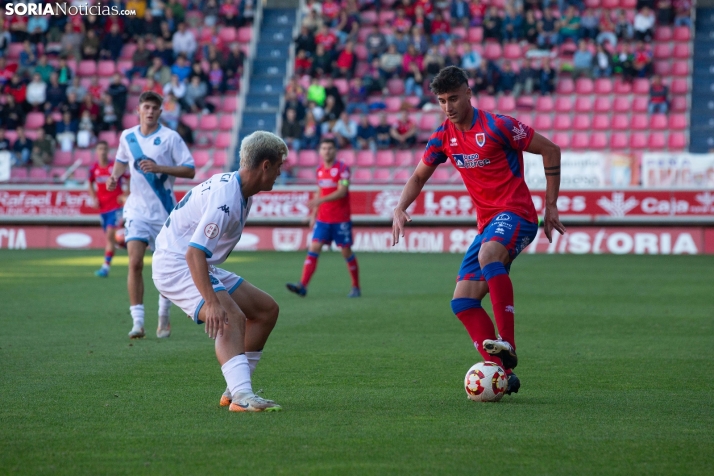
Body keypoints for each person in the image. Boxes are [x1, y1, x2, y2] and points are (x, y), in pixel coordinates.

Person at [391, 67, 566, 396]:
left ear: (469, 93)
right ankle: (502, 371)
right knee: (463, 302)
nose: (448, 107)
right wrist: (401, 206)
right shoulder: (443, 137)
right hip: (488, 224)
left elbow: (551, 150)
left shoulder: (500, 126)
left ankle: (507, 343)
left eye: (453, 98)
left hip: (517, 213)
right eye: (442, 101)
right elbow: (417, 177)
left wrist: (551, 205)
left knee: (488, 256)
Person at [152, 131, 286, 412]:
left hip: (194, 261)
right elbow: (194, 252)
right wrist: (212, 302)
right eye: (278, 166)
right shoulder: (226, 198)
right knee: (229, 317)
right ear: (265, 165)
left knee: (265, 310)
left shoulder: (239, 190)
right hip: (177, 264)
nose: (279, 172)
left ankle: (235, 388)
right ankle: (242, 397)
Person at [107, 91, 196, 339]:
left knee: (165, 268)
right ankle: (138, 322)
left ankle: (164, 315)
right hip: (137, 210)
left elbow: (190, 170)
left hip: (165, 212)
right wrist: (114, 177)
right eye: (145, 107)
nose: (149, 112)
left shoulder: (170, 138)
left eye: (154, 108)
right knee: (135, 262)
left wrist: (160, 168)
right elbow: (121, 160)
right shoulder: (128, 136)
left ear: (159, 112)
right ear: (138, 110)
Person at [286, 138, 361, 298]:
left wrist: (320, 200)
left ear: (335, 151)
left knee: (346, 252)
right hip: (323, 219)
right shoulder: (319, 170)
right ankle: (303, 286)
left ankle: (356, 286)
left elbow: (342, 191)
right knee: (313, 249)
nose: (327, 151)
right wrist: (313, 215)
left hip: (341, 219)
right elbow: (319, 190)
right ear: (320, 151)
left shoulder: (343, 169)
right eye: (324, 148)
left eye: (330, 148)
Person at [88, 141, 129, 278]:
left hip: (116, 206)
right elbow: (90, 183)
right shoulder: (94, 168)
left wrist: (125, 193)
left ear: (108, 151)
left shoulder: (114, 167)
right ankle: (123, 243)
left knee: (111, 233)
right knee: (110, 238)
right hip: (103, 208)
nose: (103, 151)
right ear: (97, 152)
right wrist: (94, 198)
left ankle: (105, 267)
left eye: (105, 149)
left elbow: (128, 178)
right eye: (100, 149)